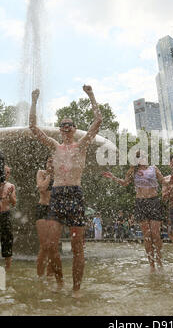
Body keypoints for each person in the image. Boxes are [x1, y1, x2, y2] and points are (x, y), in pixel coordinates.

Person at [29, 85, 102, 298]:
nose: (66, 127)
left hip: (75, 194)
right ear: (60, 129)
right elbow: (33, 127)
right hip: (58, 195)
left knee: (77, 245)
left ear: (75, 128)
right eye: (63, 125)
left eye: (69, 124)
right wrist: (34, 100)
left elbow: (98, 121)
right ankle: (60, 282)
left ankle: (76, 290)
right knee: (51, 245)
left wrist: (91, 95)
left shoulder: (82, 145)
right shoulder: (54, 146)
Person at [102, 151, 165, 273]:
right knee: (147, 236)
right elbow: (125, 183)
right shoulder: (133, 171)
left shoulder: (154, 168)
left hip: (154, 201)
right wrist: (114, 177)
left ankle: (159, 261)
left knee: (156, 235)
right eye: (139, 157)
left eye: (144, 155)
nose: (142, 158)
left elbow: (163, 181)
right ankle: (151, 265)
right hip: (140, 203)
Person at [36, 157, 55, 279]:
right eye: (49, 161)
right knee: (44, 245)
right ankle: (39, 276)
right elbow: (42, 188)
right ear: (45, 162)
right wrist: (50, 176)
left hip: (54, 211)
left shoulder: (60, 175)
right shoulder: (41, 173)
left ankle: (49, 276)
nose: (52, 163)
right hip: (42, 209)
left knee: (53, 246)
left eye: (54, 161)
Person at [0, 166, 16, 271]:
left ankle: (8, 269)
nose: (6, 174)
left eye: (8, 172)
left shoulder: (10, 186)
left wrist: (9, 195)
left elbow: (14, 203)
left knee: (8, 241)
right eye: (5, 172)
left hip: (5, 214)